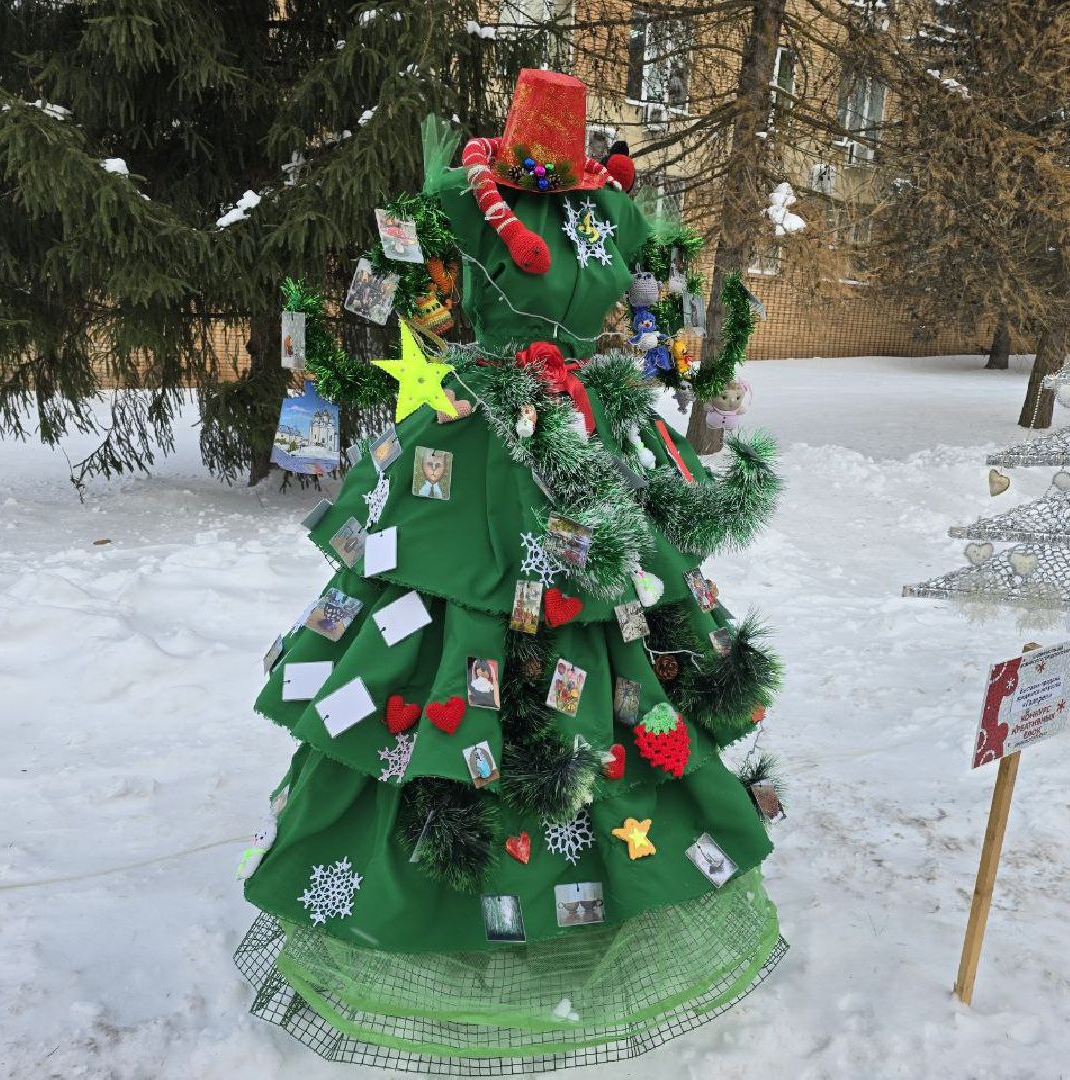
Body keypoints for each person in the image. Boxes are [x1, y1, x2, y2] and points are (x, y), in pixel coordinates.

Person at [237, 69, 785, 1073]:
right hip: (475, 442)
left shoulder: (615, 207)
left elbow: (651, 332)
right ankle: (434, 881)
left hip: (583, 432)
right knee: (457, 609)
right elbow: (386, 291)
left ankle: (598, 869)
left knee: (605, 612)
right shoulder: (458, 200)